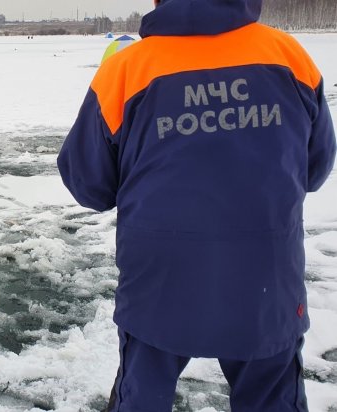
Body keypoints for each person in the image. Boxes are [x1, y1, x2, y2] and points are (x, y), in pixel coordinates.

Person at [57, 0, 336, 410]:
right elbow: (315, 168)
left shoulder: (128, 69)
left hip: (160, 288)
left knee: (143, 399)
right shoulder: (288, 57)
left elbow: (89, 184)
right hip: (265, 286)